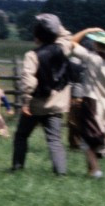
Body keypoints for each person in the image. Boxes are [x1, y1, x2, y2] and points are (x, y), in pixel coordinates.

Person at [12, 13, 75, 176]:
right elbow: (66, 36)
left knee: (21, 136)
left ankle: (17, 167)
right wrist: (54, 24)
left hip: (35, 105)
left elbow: (29, 82)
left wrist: (26, 101)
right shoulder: (63, 48)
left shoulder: (32, 55)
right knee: (54, 140)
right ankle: (61, 173)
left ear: (37, 36)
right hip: (56, 105)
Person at [68, 28, 105, 179]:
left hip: (93, 104)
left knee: (86, 140)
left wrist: (89, 30)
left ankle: (96, 172)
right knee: (96, 139)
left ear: (95, 44)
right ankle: (91, 171)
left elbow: (71, 42)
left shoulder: (92, 57)